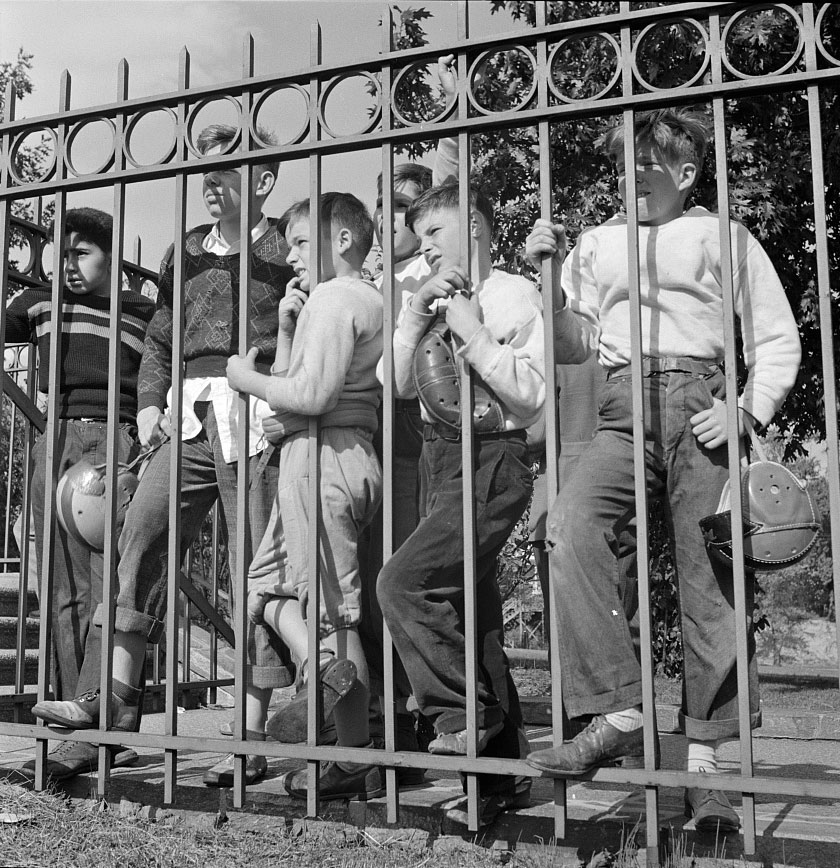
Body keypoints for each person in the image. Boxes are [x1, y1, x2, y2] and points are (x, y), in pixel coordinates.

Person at [524, 108, 801, 834]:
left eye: (646, 166)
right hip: (620, 412)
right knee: (570, 525)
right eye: (623, 165)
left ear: (685, 175)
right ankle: (619, 707)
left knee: (710, 590)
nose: (631, 178)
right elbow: (574, 346)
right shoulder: (595, 242)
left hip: (700, 405)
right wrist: (549, 288)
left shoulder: (721, 236)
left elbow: (776, 336)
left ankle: (708, 779)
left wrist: (745, 410)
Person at [30, 125, 298, 788]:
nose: (210, 185)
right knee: (135, 546)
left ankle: (249, 738)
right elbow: (159, 339)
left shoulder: (283, 249)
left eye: (226, 173)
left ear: (261, 182)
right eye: (204, 174)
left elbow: (300, 327)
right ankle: (108, 718)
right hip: (184, 424)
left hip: (251, 422)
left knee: (251, 577)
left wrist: (274, 393)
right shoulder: (183, 253)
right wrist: (150, 402)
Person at [377, 182, 545, 825]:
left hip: (495, 456)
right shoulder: (424, 297)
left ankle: (460, 714)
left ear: (474, 227)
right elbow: (394, 382)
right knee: (474, 614)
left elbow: (530, 397)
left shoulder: (510, 294)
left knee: (402, 584)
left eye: (434, 237)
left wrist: (472, 331)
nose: (423, 253)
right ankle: (499, 777)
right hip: (438, 457)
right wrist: (416, 315)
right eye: (419, 243)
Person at [225, 192, 383, 798]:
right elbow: (299, 388)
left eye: (298, 242)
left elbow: (308, 396)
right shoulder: (339, 301)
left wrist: (246, 380)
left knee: (332, 615)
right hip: (320, 459)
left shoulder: (338, 295)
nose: (289, 256)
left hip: (324, 462)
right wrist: (288, 328)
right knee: (264, 585)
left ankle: (353, 753)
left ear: (341, 240)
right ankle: (324, 673)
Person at [5, 208, 154, 780]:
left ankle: (109, 720)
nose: (67, 264)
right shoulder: (39, 304)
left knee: (110, 585)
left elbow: (162, 369)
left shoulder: (141, 312)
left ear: (110, 259)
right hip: (55, 439)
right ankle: (72, 718)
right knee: (60, 586)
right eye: (58, 252)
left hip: (114, 442)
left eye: (80, 253)